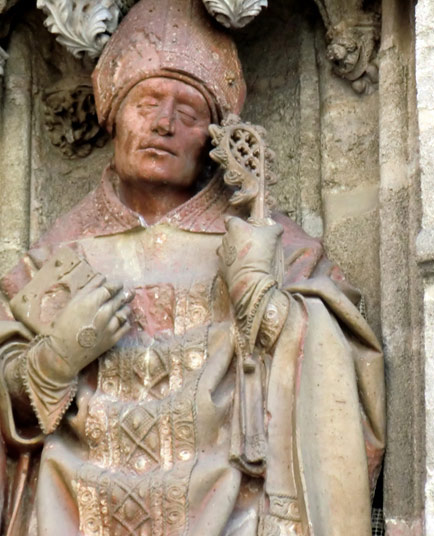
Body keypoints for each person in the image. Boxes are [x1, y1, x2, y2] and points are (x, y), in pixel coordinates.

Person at [0, 0, 385, 534]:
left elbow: (341, 376)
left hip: (234, 515)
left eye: (187, 113)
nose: (163, 124)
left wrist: (263, 298)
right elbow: (7, 396)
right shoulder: (55, 257)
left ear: (214, 139)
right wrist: (54, 360)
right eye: (148, 103)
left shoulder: (267, 244)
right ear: (112, 113)